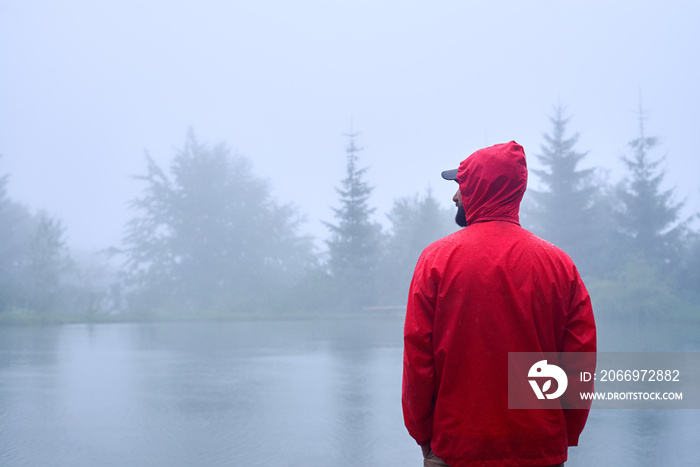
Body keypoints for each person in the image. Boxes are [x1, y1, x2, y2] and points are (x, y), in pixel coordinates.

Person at [402, 141, 596, 467]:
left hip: (457, 449)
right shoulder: (560, 266)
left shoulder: (436, 261)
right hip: (539, 450)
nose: (454, 197)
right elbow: (579, 361)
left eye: (460, 186)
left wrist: (423, 436)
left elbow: (418, 359)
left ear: (478, 188)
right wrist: (561, 434)